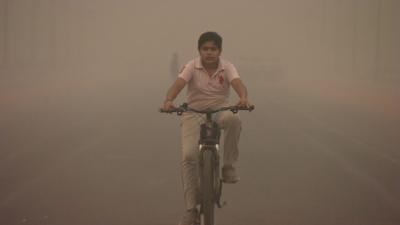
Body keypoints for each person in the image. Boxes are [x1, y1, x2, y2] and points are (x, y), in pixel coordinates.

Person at [161, 31, 253, 225]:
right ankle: (190, 210)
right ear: (199, 50)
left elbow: (238, 84)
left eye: (213, 49)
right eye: (205, 49)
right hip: (193, 112)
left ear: (220, 51)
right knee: (188, 156)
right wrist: (169, 100)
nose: (209, 52)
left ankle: (228, 167)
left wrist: (243, 98)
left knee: (235, 121)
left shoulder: (227, 67)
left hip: (220, 109)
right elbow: (178, 84)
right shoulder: (191, 66)